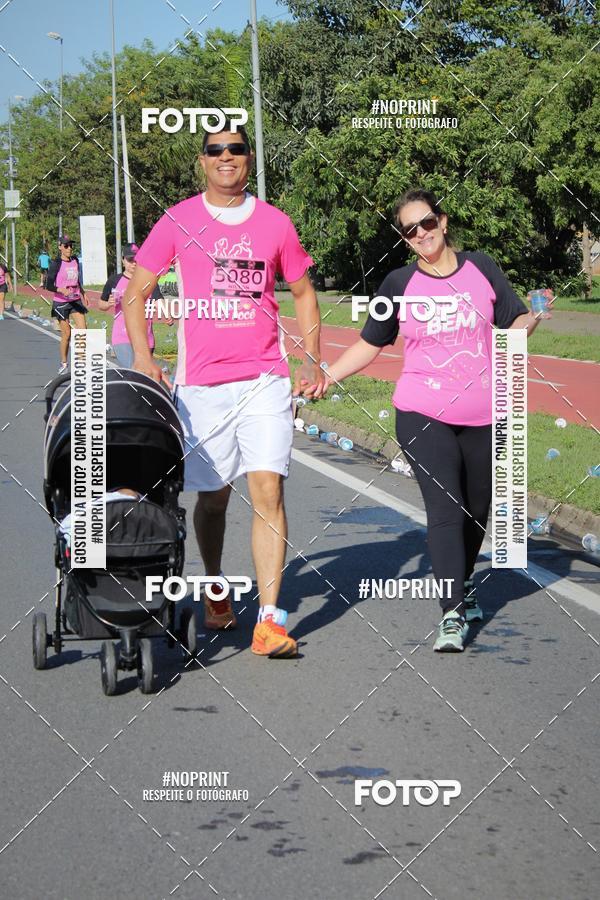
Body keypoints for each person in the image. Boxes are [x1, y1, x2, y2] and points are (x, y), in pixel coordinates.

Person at [122, 121, 324, 658]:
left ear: (249, 159)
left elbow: (303, 293)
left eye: (235, 149)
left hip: (264, 380)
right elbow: (136, 293)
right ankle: (215, 585)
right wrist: (144, 357)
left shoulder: (276, 223)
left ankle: (270, 621)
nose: (226, 157)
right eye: (216, 150)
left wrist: (309, 357)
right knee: (213, 499)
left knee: (268, 491)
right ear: (203, 161)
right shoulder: (177, 219)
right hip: (202, 386)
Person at [322, 188, 549, 652]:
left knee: (476, 511)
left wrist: (535, 317)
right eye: (410, 230)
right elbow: (370, 342)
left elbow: (513, 323)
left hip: (488, 412)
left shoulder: (481, 269)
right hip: (422, 412)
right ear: (405, 238)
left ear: (442, 222)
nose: (421, 233)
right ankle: (450, 613)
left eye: (426, 223)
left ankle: (460, 585)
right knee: (446, 509)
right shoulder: (398, 284)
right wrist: (328, 375)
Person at [98, 243, 167, 368]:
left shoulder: (149, 280)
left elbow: (158, 300)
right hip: (122, 337)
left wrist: (166, 314)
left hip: (146, 337)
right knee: (133, 372)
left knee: (144, 378)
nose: (133, 263)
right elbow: (101, 304)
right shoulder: (114, 280)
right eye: (130, 260)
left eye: (137, 260)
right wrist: (108, 303)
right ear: (123, 260)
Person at [46, 236, 88, 374]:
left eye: (70, 245)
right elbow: (48, 285)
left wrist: (83, 292)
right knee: (67, 334)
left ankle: (81, 362)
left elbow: (77, 279)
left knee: (83, 330)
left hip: (75, 299)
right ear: (60, 247)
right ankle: (64, 363)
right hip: (61, 302)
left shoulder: (75, 260)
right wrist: (60, 289)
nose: (69, 248)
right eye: (66, 246)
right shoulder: (56, 264)